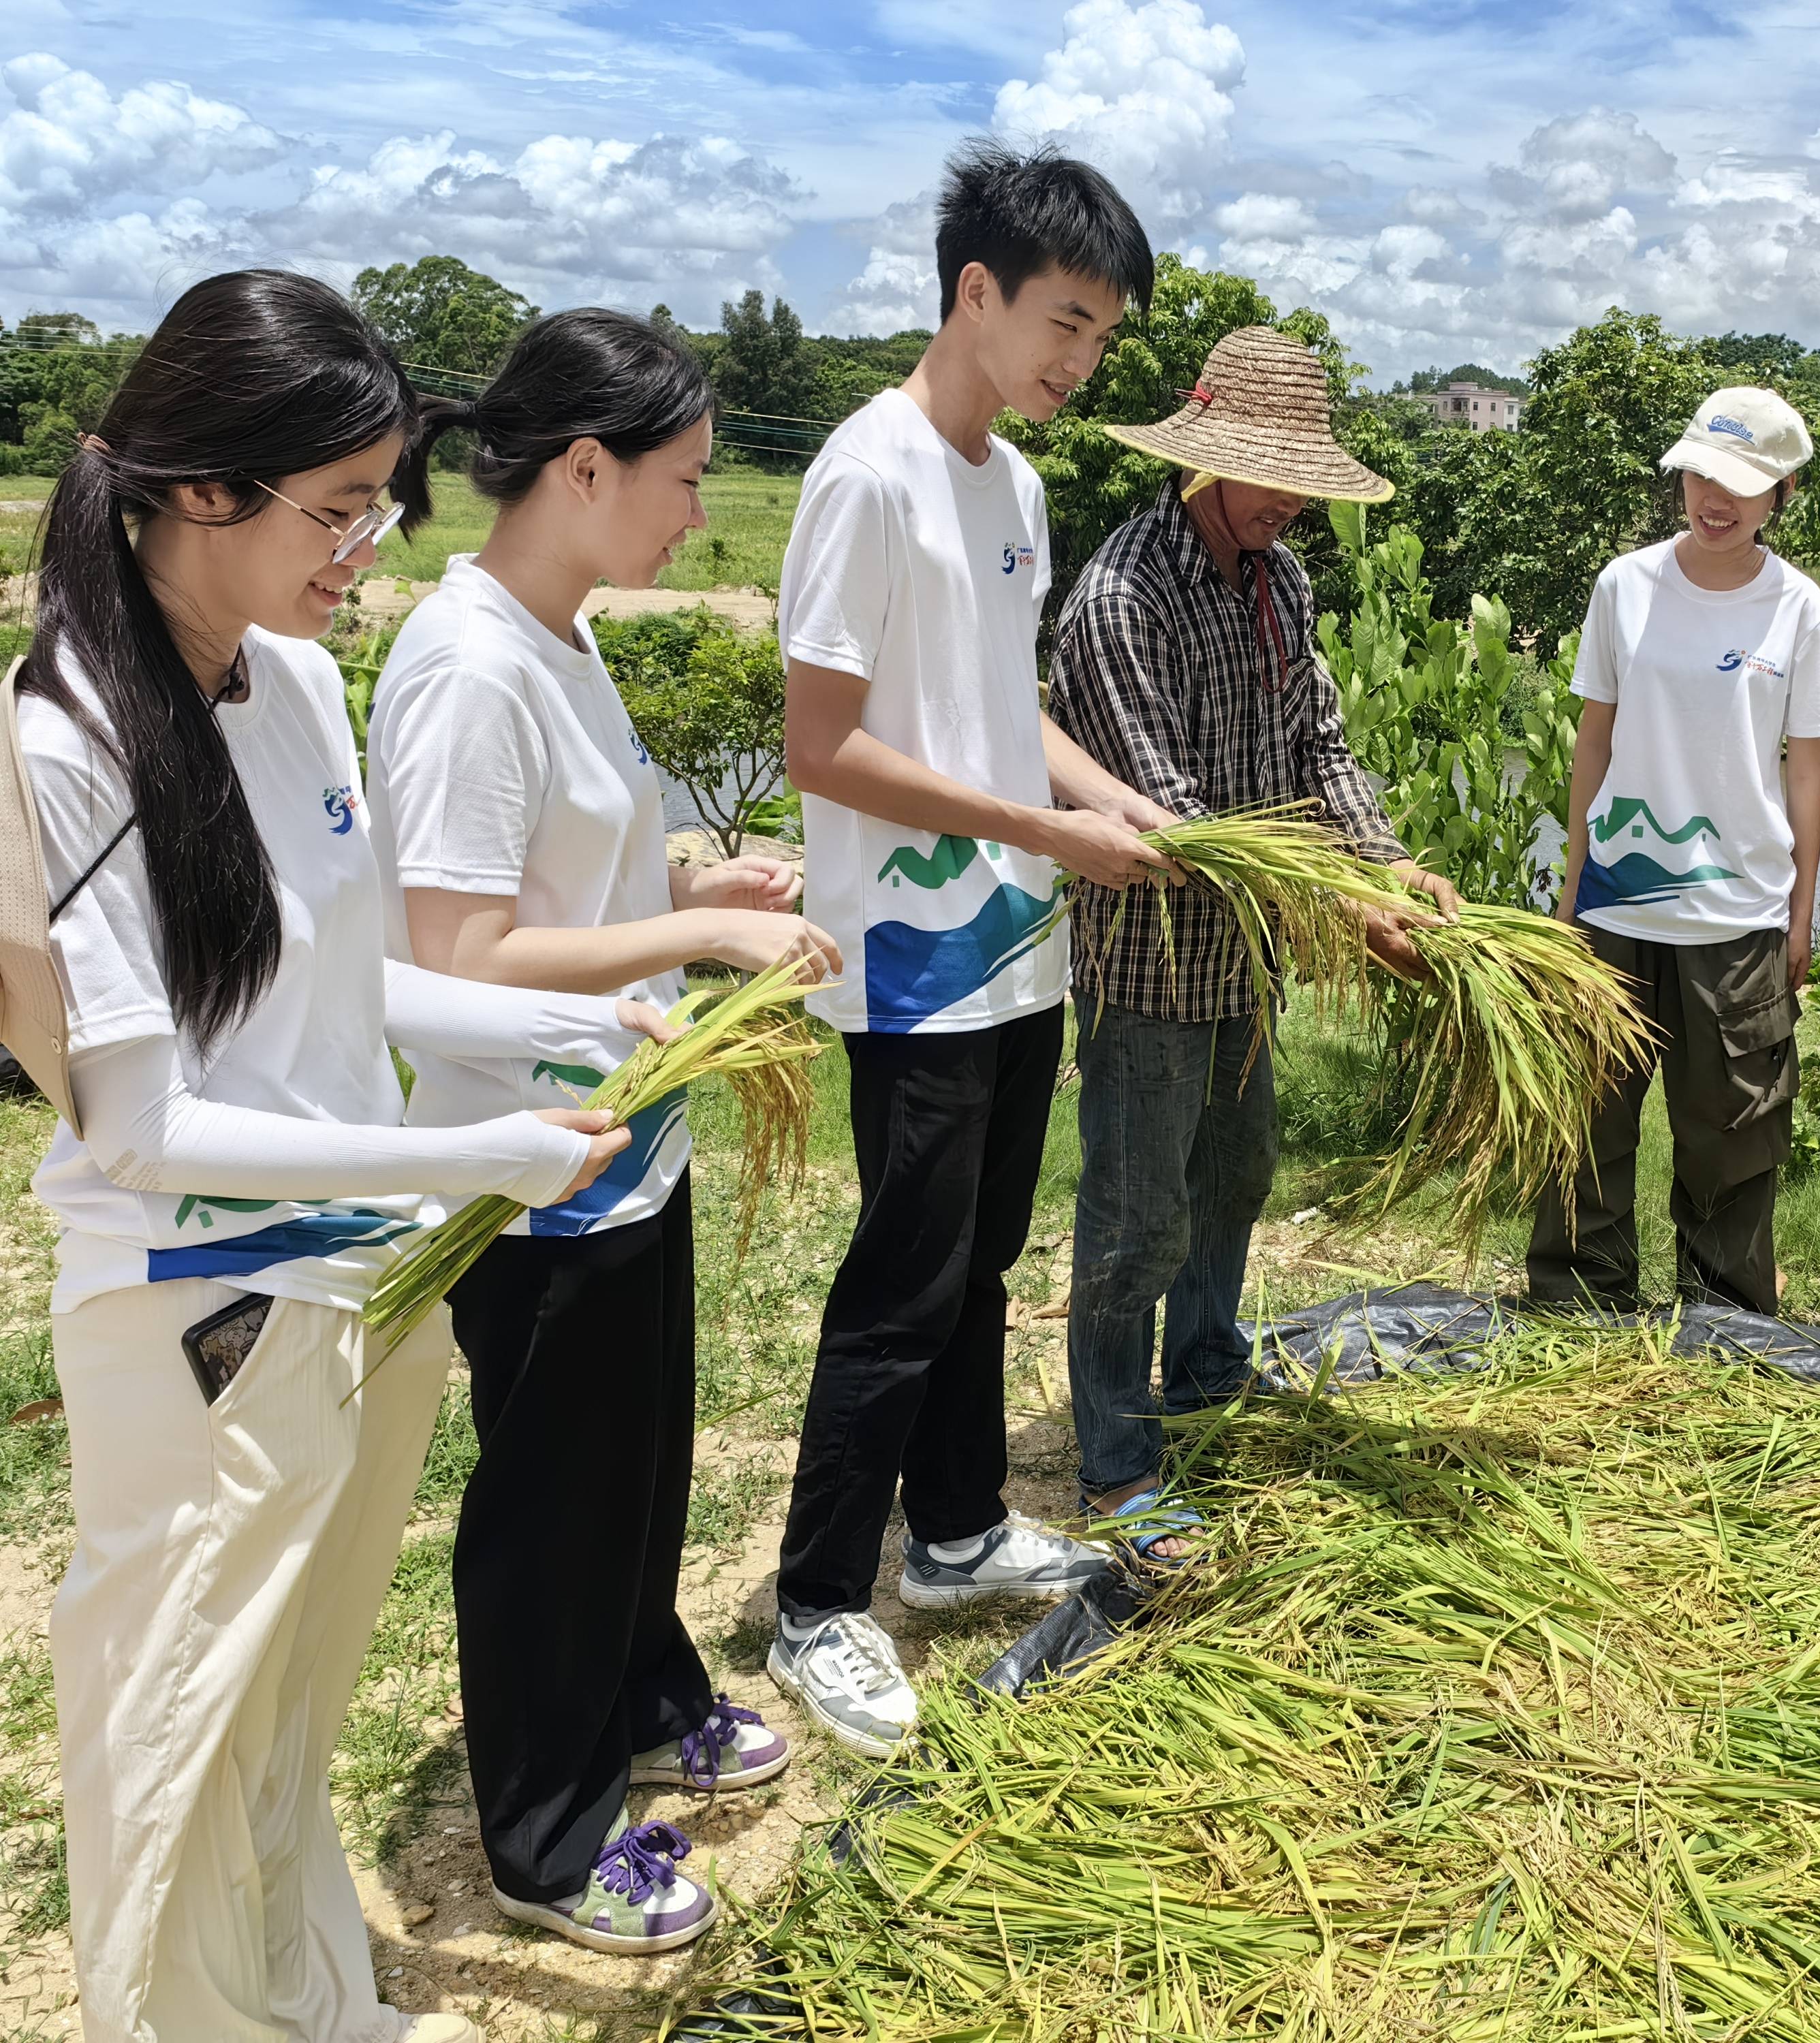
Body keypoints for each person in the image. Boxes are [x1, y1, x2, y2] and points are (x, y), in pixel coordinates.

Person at [16, 270, 642, 2043]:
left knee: (293, 1703)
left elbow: (354, 981)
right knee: (183, 1738)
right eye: (341, 506)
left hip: (351, 1294)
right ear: (199, 489)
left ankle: (317, 2003)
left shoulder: (288, 682)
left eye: (380, 504)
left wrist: (565, 1036)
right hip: (202, 1319)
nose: (366, 546)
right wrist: (473, 1168)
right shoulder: (63, 740)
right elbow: (143, 1133)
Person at [364, 311, 839, 1955]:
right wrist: (698, 943)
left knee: (638, 1473)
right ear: (584, 468)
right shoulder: (466, 662)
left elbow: (569, 894)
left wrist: (690, 891)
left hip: (623, 1139)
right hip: (530, 1161)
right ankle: (545, 1835)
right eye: (685, 479)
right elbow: (453, 955)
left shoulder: (560, 640)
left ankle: (645, 1699)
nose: (698, 514)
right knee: (553, 1508)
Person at [767, 139, 1179, 1758]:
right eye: (1063, 323)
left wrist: (1116, 802)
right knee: (900, 1281)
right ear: (975, 291)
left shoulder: (1015, 483)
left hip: (1018, 950)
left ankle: (949, 1535)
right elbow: (822, 744)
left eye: (1100, 337)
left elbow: (1011, 722)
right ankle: (815, 1603)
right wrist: (1045, 833)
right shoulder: (867, 473)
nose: (1078, 361)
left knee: (985, 1256)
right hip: (914, 956)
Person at [1046, 325, 1460, 1562]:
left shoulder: (1283, 584)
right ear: (1206, 457)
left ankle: (1211, 1367)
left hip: (1245, 963)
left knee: (1236, 1173)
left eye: (1302, 479)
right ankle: (1119, 1458)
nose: (1288, 500)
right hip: (1153, 960)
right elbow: (1180, 821)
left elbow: (1318, 749)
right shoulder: (1124, 597)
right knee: (1136, 1217)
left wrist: (1385, 861)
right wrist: (1339, 909)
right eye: (1268, 474)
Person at [1533, 387, 1820, 1317]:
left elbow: (1806, 773)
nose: (1715, 496)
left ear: (1782, 493)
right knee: (1586, 1121)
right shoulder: (1626, 585)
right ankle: (1576, 1311)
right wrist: (1574, 889)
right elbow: (1596, 740)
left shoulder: (1799, 607)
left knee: (1734, 1139)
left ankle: (1727, 1327)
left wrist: (1800, 913)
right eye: (1702, 470)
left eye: (1741, 482)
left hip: (1739, 914)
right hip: (1618, 905)